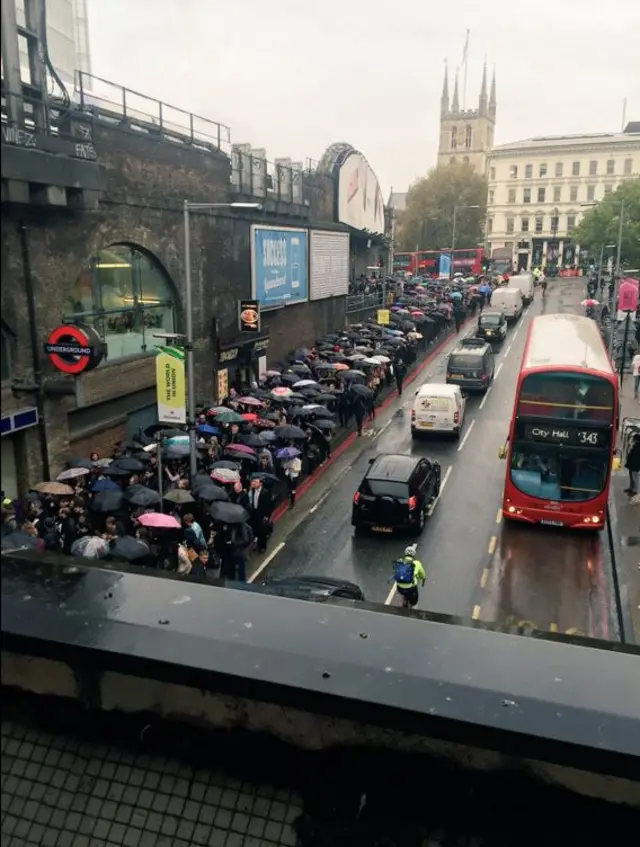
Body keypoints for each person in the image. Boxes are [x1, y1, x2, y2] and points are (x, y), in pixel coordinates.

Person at [391, 544, 426, 608]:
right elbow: (423, 574)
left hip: (400, 588)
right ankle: (414, 609)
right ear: (414, 554)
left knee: (403, 592)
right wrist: (422, 578)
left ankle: (404, 601)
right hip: (411, 588)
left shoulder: (400, 561)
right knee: (414, 602)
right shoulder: (417, 563)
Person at [248, 477, 273, 554]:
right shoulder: (252, 491)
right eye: (253, 482)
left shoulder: (265, 492)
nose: (254, 483)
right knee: (256, 531)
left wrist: (267, 516)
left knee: (262, 531)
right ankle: (258, 544)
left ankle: (263, 546)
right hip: (254, 513)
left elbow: (269, 505)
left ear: (261, 484)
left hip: (262, 514)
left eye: (256, 482)